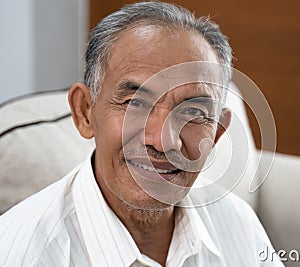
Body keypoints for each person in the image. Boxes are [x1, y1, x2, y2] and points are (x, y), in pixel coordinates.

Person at [0, 2, 283, 266]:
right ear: (85, 111)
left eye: (193, 112)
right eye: (135, 103)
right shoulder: (23, 252)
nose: (163, 141)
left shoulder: (237, 222)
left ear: (217, 132)